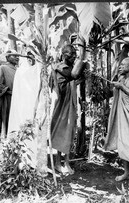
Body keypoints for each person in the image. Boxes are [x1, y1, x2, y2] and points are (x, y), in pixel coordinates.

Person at [50, 39, 86, 175]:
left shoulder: (64, 67)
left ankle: (66, 162)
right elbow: (72, 77)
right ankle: (59, 163)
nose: (74, 58)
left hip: (69, 105)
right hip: (61, 107)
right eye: (72, 56)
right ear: (65, 55)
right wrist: (74, 83)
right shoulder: (61, 68)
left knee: (69, 132)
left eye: (75, 56)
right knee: (61, 133)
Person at [0, 50, 19, 138]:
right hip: (7, 98)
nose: (17, 57)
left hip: (17, 99)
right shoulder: (3, 68)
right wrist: (7, 91)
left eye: (17, 56)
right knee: (7, 120)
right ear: (7, 58)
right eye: (14, 56)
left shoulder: (19, 70)